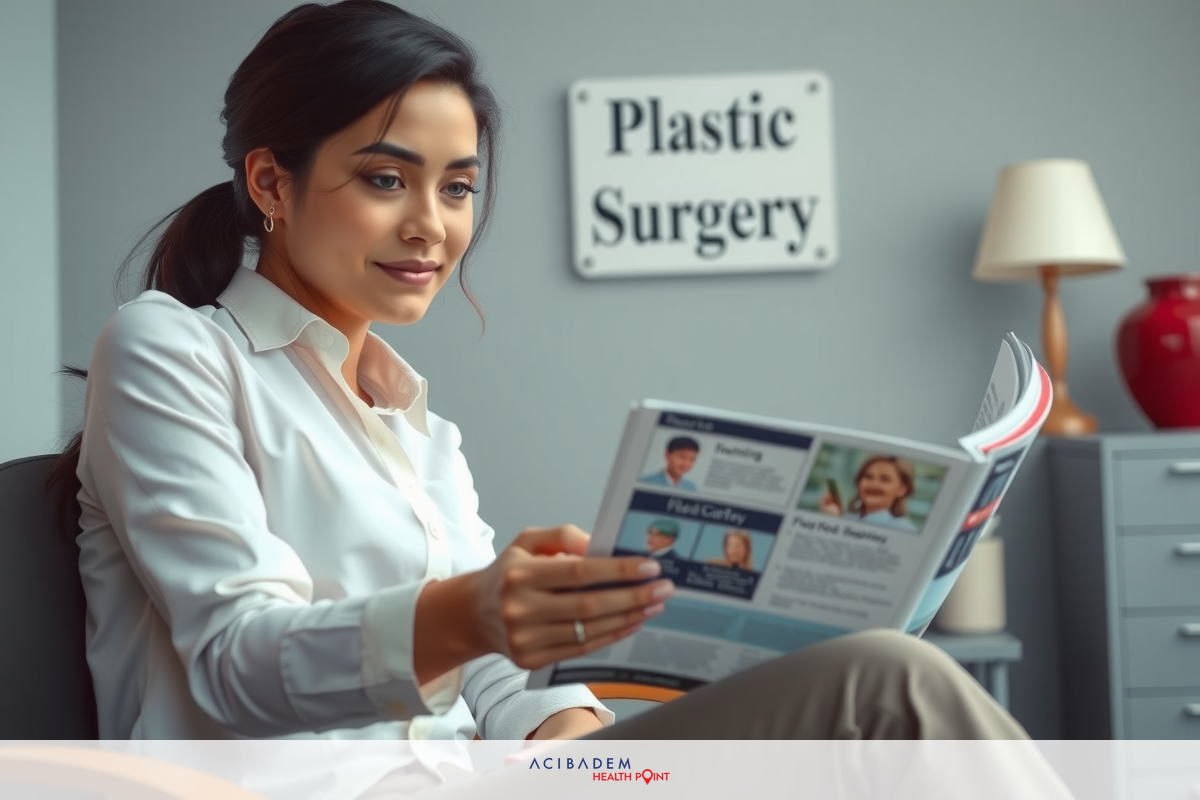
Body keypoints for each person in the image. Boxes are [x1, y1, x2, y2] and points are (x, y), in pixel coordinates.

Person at [46, 3, 1045, 798]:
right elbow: (234, 662)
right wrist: (474, 611)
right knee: (889, 683)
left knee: (871, 681)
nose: (432, 225)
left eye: (458, 187)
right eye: (388, 178)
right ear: (272, 179)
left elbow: (497, 677)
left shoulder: (417, 424)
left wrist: (582, 741)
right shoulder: (169, 350)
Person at [819, 455, 919, 532]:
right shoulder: (846, 518)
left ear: (902, 490)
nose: (873, 485)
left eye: (885, 479)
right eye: (868, 477)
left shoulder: (903, 529)